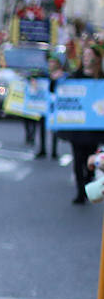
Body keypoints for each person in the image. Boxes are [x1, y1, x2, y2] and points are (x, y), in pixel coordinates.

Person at [64, 43, 104, 204]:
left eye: (90, 56)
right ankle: (81, 191)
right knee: (78, 159)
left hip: (94, 127)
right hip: (79, 125)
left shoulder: (101, 77)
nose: (86, 59)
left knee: (90, 157)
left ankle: (88, 183)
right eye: (85, 56)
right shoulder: (76, 76)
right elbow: (62, 91)